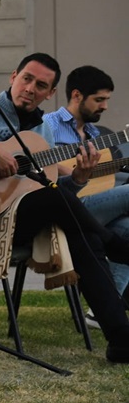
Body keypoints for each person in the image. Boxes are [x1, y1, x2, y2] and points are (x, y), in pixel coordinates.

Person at [0, 53, 129, 364]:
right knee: (81, 225)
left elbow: (43, 188)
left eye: (41, 85)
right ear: (14, 77)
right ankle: (117, 247)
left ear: (50, 93)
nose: (31, 88)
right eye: (27, 79)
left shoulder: (42, 131)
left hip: (24, 218)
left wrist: (79, 179)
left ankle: (121, 341)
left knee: (80, 232)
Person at [41, 65, 129, 303]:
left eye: (107, 100)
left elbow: (99, 179)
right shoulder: (46, 125)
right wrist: (67, 171)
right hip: (60, 209)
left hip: (89, 212)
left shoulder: (95, 135)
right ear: (77, 95)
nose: (105, 106)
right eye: (99, 99)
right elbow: (35, 165)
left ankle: (106, 306)